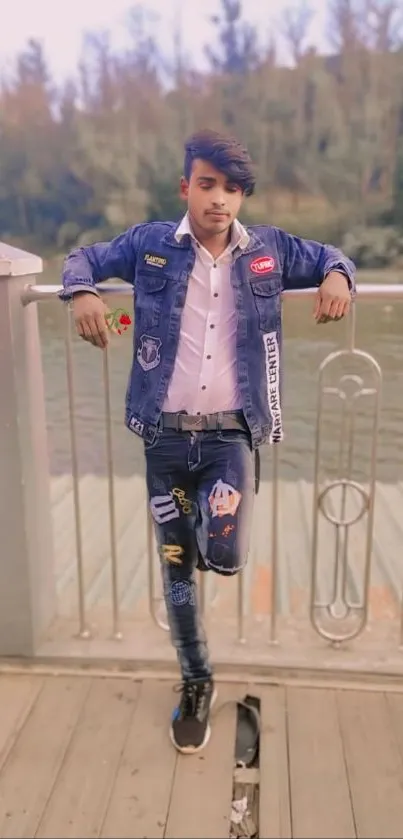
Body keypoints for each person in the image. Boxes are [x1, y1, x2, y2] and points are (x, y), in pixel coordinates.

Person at [60, 128, 356, 754]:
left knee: (221, 553)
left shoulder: (269, 252)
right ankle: (196, 680)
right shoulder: (150, 246)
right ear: (185, 187)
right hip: (163, 438)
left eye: (232, 189)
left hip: (229, 437)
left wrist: (338, 279)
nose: (219, 199)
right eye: (207, 185)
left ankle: (197, 543)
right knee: (177, 570)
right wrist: (82, 292)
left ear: (243, 195)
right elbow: (81, 258)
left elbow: (335, 255)